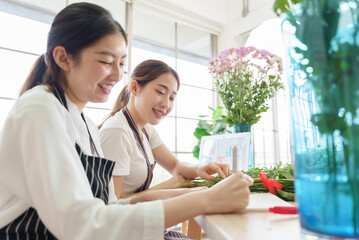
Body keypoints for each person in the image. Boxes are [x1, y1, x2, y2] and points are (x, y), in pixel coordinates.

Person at [0, 3, 253, 240]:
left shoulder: (85, 123)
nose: (117, 74)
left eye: (121, 63)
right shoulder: (39, 109)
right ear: (63, 58)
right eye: (106, 61)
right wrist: (205, 201)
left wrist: (197, 194)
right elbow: (79, 224)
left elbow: (110, 205)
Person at [99, 59, 233, 199]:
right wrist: (166, 187)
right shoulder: (117, 132)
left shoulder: (145, 129)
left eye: (172, 98)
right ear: (134, 88)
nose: (166, 104)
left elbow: (175, 165)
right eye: (160, 92)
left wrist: (200, 168)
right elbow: (110, 206)